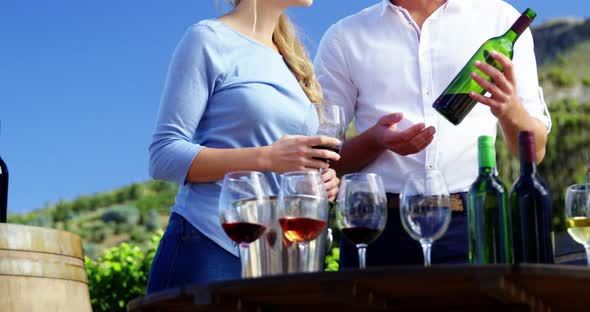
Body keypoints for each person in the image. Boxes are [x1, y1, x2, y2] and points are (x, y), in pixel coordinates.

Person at [314, 0, 551, 267]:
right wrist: (375, 141)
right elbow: (323, 159)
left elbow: (536, 150)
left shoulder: (502, 20)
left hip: (472, 227)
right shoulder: (344, 37)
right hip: (375, 231)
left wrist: (510, 110)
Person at [146, 0, 341, 293]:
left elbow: (288, 161)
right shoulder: (209, 38)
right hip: (211, 247)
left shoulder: (292, 59)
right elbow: (164, 156)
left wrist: (318, 182)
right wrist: (267, 158)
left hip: (277, 261)